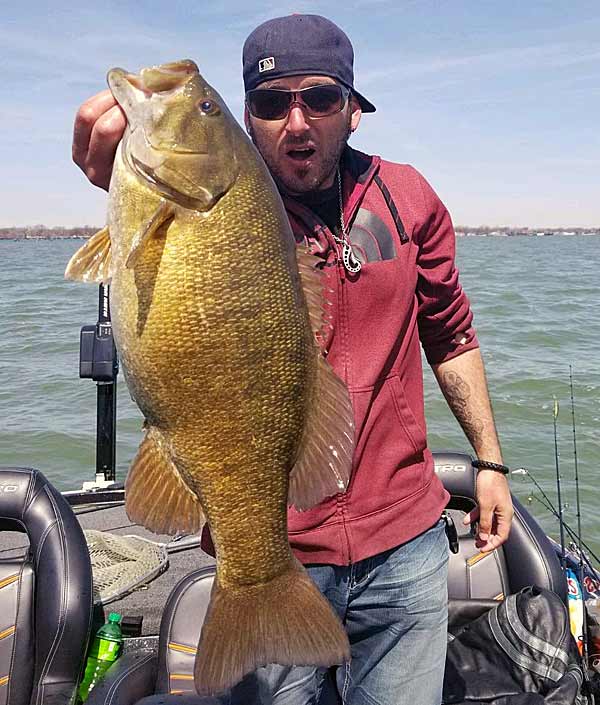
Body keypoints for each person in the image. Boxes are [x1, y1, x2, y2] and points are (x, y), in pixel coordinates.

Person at [72, 14, 514, 705]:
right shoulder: (232, 199)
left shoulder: (411, 199)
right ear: (248, 116)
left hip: (405, 540)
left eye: (321, 98)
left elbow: (451, 334)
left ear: (354, 110)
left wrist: (488, 460)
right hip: (279, 546)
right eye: (272, 104)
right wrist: (120, 188)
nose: (297, 121)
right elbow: (164, 272)